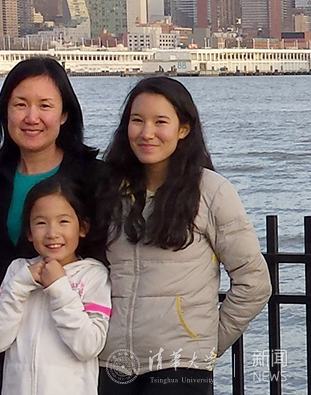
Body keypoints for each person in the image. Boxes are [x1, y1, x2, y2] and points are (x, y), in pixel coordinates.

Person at [98, 76, 272, 394]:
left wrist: (205, 344)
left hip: (180, 367)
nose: (146, 133)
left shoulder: (211, 191)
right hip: (111, 363)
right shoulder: (109, 190)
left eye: (160, 122)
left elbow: (255, 283)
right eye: (137, 121)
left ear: (184, 129)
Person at [0, 57, 114, 395]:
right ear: (5, 112)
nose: (31, 117)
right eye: (20, 104)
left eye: (45, 105)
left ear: (64, 114)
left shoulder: (94, 178)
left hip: (72, 358)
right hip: (2, 340)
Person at [0, 177, 111, 395]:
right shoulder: (18, 272)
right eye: (41, 223)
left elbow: (88, 346)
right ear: (29, 232)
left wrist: (60, 288)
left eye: (63, 222)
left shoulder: (93, 275)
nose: (52, 233)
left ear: (83, 227)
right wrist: (20, 286)